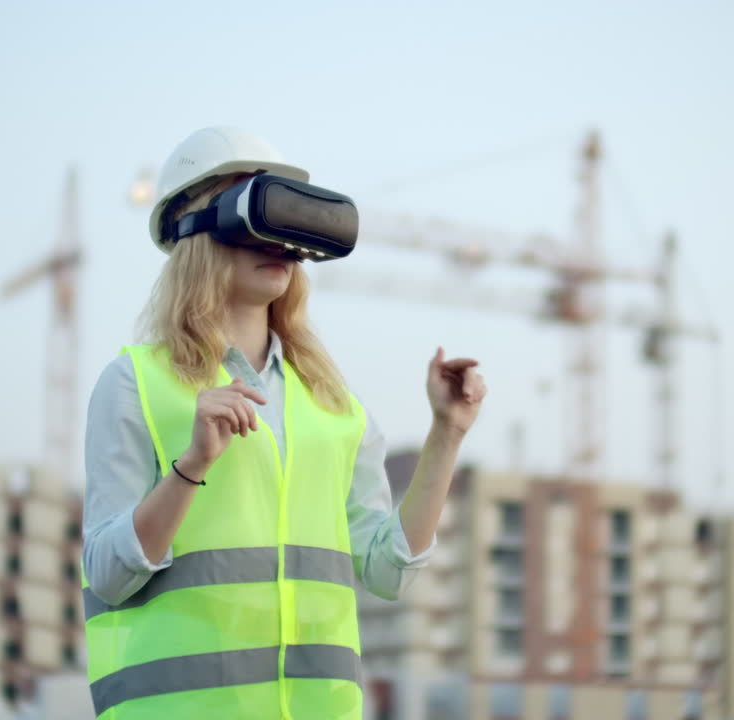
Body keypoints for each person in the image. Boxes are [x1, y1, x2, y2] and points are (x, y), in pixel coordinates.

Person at [80, 126, 487, 719]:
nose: (275, 241)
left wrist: (446, 433)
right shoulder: (134, 385)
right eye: (253, 214)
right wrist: (191, 466)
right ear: (195, 229)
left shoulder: (332, 406)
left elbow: (388, 572)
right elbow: (107, 575)